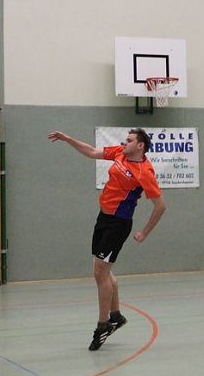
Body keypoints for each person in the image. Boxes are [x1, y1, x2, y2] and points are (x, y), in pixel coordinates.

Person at [48, 128, 166, 351]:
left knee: (100, 272)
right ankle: (116, 315)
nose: (125, 142)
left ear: (140, 145)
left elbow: (160, 206)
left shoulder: (144, 171)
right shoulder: (120, 153)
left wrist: (144, 232)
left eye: (129, 140)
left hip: (118, 224)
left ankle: (103, 325)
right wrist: (68, 138)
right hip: (103, 218)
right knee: (102, 270)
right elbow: (92, 152)